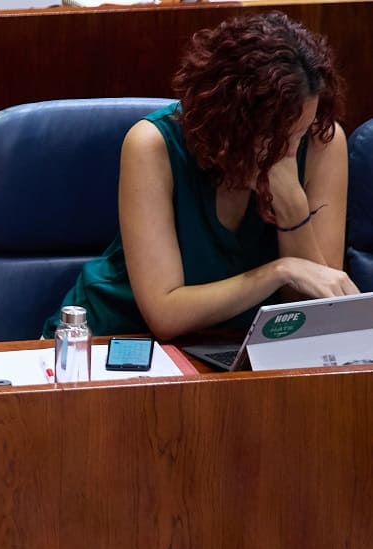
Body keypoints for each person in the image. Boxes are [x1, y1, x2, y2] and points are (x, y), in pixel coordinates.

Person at [43, 12, 358, 340]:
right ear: (231, 121)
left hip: (233, 348)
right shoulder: (152, 145)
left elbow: (318, 315)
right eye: (276, 137)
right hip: (114, 338)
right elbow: (165, 315)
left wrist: (292, 206)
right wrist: (281, 271)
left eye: (301, 132)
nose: (290, 151)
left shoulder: (322, 142)